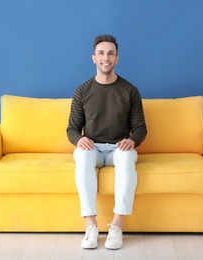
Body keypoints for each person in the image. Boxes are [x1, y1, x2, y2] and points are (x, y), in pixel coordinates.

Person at [66, 34, 147, 250]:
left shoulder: (130, 91)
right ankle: (91, 225)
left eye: (110, 53)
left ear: (117, 58)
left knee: (128, 157)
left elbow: (140, 127)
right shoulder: (82, 91)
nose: (106, 57)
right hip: (92, 148)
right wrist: (80, 138)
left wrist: (133, 140)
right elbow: (72, 128)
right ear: (94, 58)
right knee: (81, 156)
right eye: (101, 53)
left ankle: (117, 226)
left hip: (119, 149)